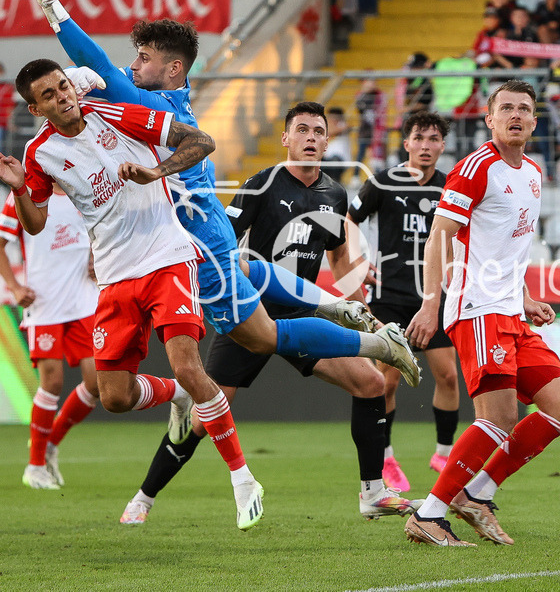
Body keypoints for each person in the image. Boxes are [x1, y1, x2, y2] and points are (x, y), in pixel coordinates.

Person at [27, 0, 421, 385]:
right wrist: (72, 77)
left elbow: (101, 67)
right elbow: (102, 74)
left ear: (173, 68)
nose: (133, 66)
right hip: (195, 230)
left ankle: (380, 345)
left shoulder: (157, 107)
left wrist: (54, 8)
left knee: (262, 337)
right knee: (246, 266)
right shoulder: (159, 91)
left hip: (195, 239)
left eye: (143, 58)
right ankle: (331, 304)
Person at [0, 59, 265, 530]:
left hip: (167, 256)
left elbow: (201, 142)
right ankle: (178, 396)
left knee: (187, 363)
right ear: (35, 108)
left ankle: (243, 480)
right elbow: (34, 224)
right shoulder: (39, 154)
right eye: (49, 95)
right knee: (112, 396)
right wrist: (18, 191)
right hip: (114, 278)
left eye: (63, 86)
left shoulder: (114, 113)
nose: (63, 96)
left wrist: (157, 171)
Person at [120, 102, 421, 525]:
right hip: (250, 314)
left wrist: (358, 306)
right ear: (286, 138)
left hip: (301, 317)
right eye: (302, 130)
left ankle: (373, 493)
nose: (311, 138)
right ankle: (143, 498)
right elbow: (222, 243)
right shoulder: (261, 185)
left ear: (328, 140)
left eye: (319, 131)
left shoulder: (335, 195)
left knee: (370, 383)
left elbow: (337, 257)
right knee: (209, 413)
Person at [402, 80, 560, 547]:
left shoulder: (534, 174)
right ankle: (430, 512)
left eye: (524, 109)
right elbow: (440, 234)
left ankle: (478, 493)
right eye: (506, 108)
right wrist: (430, 302)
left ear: (534, 122)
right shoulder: (476, 167)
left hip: (510, 311)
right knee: (497, 417)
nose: (515, 115)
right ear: (490, 118)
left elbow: (508, 248)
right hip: (476, 309)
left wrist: (524, 297)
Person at [347, 112, 460, 493]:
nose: (426, 146)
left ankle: (444, 453)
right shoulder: (383, 182)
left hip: (432, 296)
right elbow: (348, 220)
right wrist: (357, 261)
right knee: (387, 381)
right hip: (390, 298)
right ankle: (388, 456)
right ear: (407, 143)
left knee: (447, 375)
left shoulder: (451, 187)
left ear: (442, 146)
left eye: (433, 139)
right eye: (419, 138)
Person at [0, 181, 100, 490]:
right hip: (45, 304)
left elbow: (101, 233)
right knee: (51, 382)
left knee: (97, 382)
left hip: (84, 301)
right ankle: (35, 466)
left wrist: (95, 256)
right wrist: (14, 286)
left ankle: (51, 443)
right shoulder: (24, 197)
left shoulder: (85, 191)